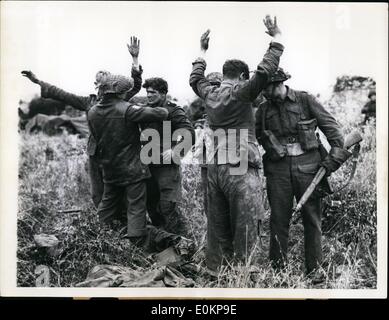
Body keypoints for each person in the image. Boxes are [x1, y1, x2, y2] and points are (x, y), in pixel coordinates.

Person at [189, 15, 284, 272]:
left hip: (215, 165)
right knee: (246, 221)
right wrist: (276, 39)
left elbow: (195, 78)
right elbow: (265, 72)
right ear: (242, 76)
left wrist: (202, 50)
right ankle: (246, 275)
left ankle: (217, 271)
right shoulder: (241, 92)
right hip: (240, 163)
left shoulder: (210, 92)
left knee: (217, 225)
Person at [21, 36, 143, 208]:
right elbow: (61, 94)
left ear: (111, 86)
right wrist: (38, 81)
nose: (99, 87)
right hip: (96, 152)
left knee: (119, 188)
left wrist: (135, 59)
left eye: (103, 84)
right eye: (97, 83)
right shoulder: (89, 102)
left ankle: (121, 219)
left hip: (118, 152)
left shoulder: (121, 99)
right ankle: (105, 222)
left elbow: (135, 85)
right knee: (98, 191)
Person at [254, 68, 347, 283]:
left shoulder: (305, 100)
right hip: (277, 171)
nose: (265, 93)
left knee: (312, 219)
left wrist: (334, 158)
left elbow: (332, 129)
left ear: (279, 83)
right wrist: (273, 145)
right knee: (278, 220)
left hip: (309, 168)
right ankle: (278, 273)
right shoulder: (263, 109)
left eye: (267, 88)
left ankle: (315, 272)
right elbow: (258, 135)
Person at [87, 72, 169, 241]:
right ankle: (136, 242)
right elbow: (161, 114)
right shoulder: (127, 110)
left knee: (107, 205)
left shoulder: (93, 112)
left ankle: (100, 237)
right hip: (132, 169)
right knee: (136, 206)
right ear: (122, 93)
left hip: (109, 168)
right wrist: (149, 107)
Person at [140, 78, 195, 237]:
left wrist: (176, 151)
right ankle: (164, 243)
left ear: (164, 93)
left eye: (153, 92)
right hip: (148, 166)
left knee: (168, 207)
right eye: (147, 92)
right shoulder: (145, 110)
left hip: (166, 167)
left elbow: (189, 133)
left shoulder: (173, 110)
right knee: (152, 207)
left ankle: (184, 244)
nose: (149, 95)